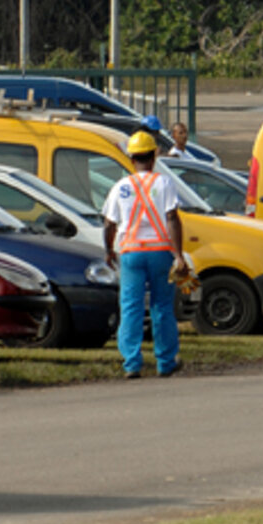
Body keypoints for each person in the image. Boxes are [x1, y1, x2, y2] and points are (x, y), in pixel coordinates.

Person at [101, 130, 192, 379]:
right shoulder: (163, 183)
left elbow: (109, 224)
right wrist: (179, 255)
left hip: (131, 252)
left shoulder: (121, 187)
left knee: (130, 307)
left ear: (132, 159)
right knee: (161, 306)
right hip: (160, 251)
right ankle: (165, 361)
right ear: (154, 156)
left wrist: (109, 250)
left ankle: (131, 363)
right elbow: (172, 217)